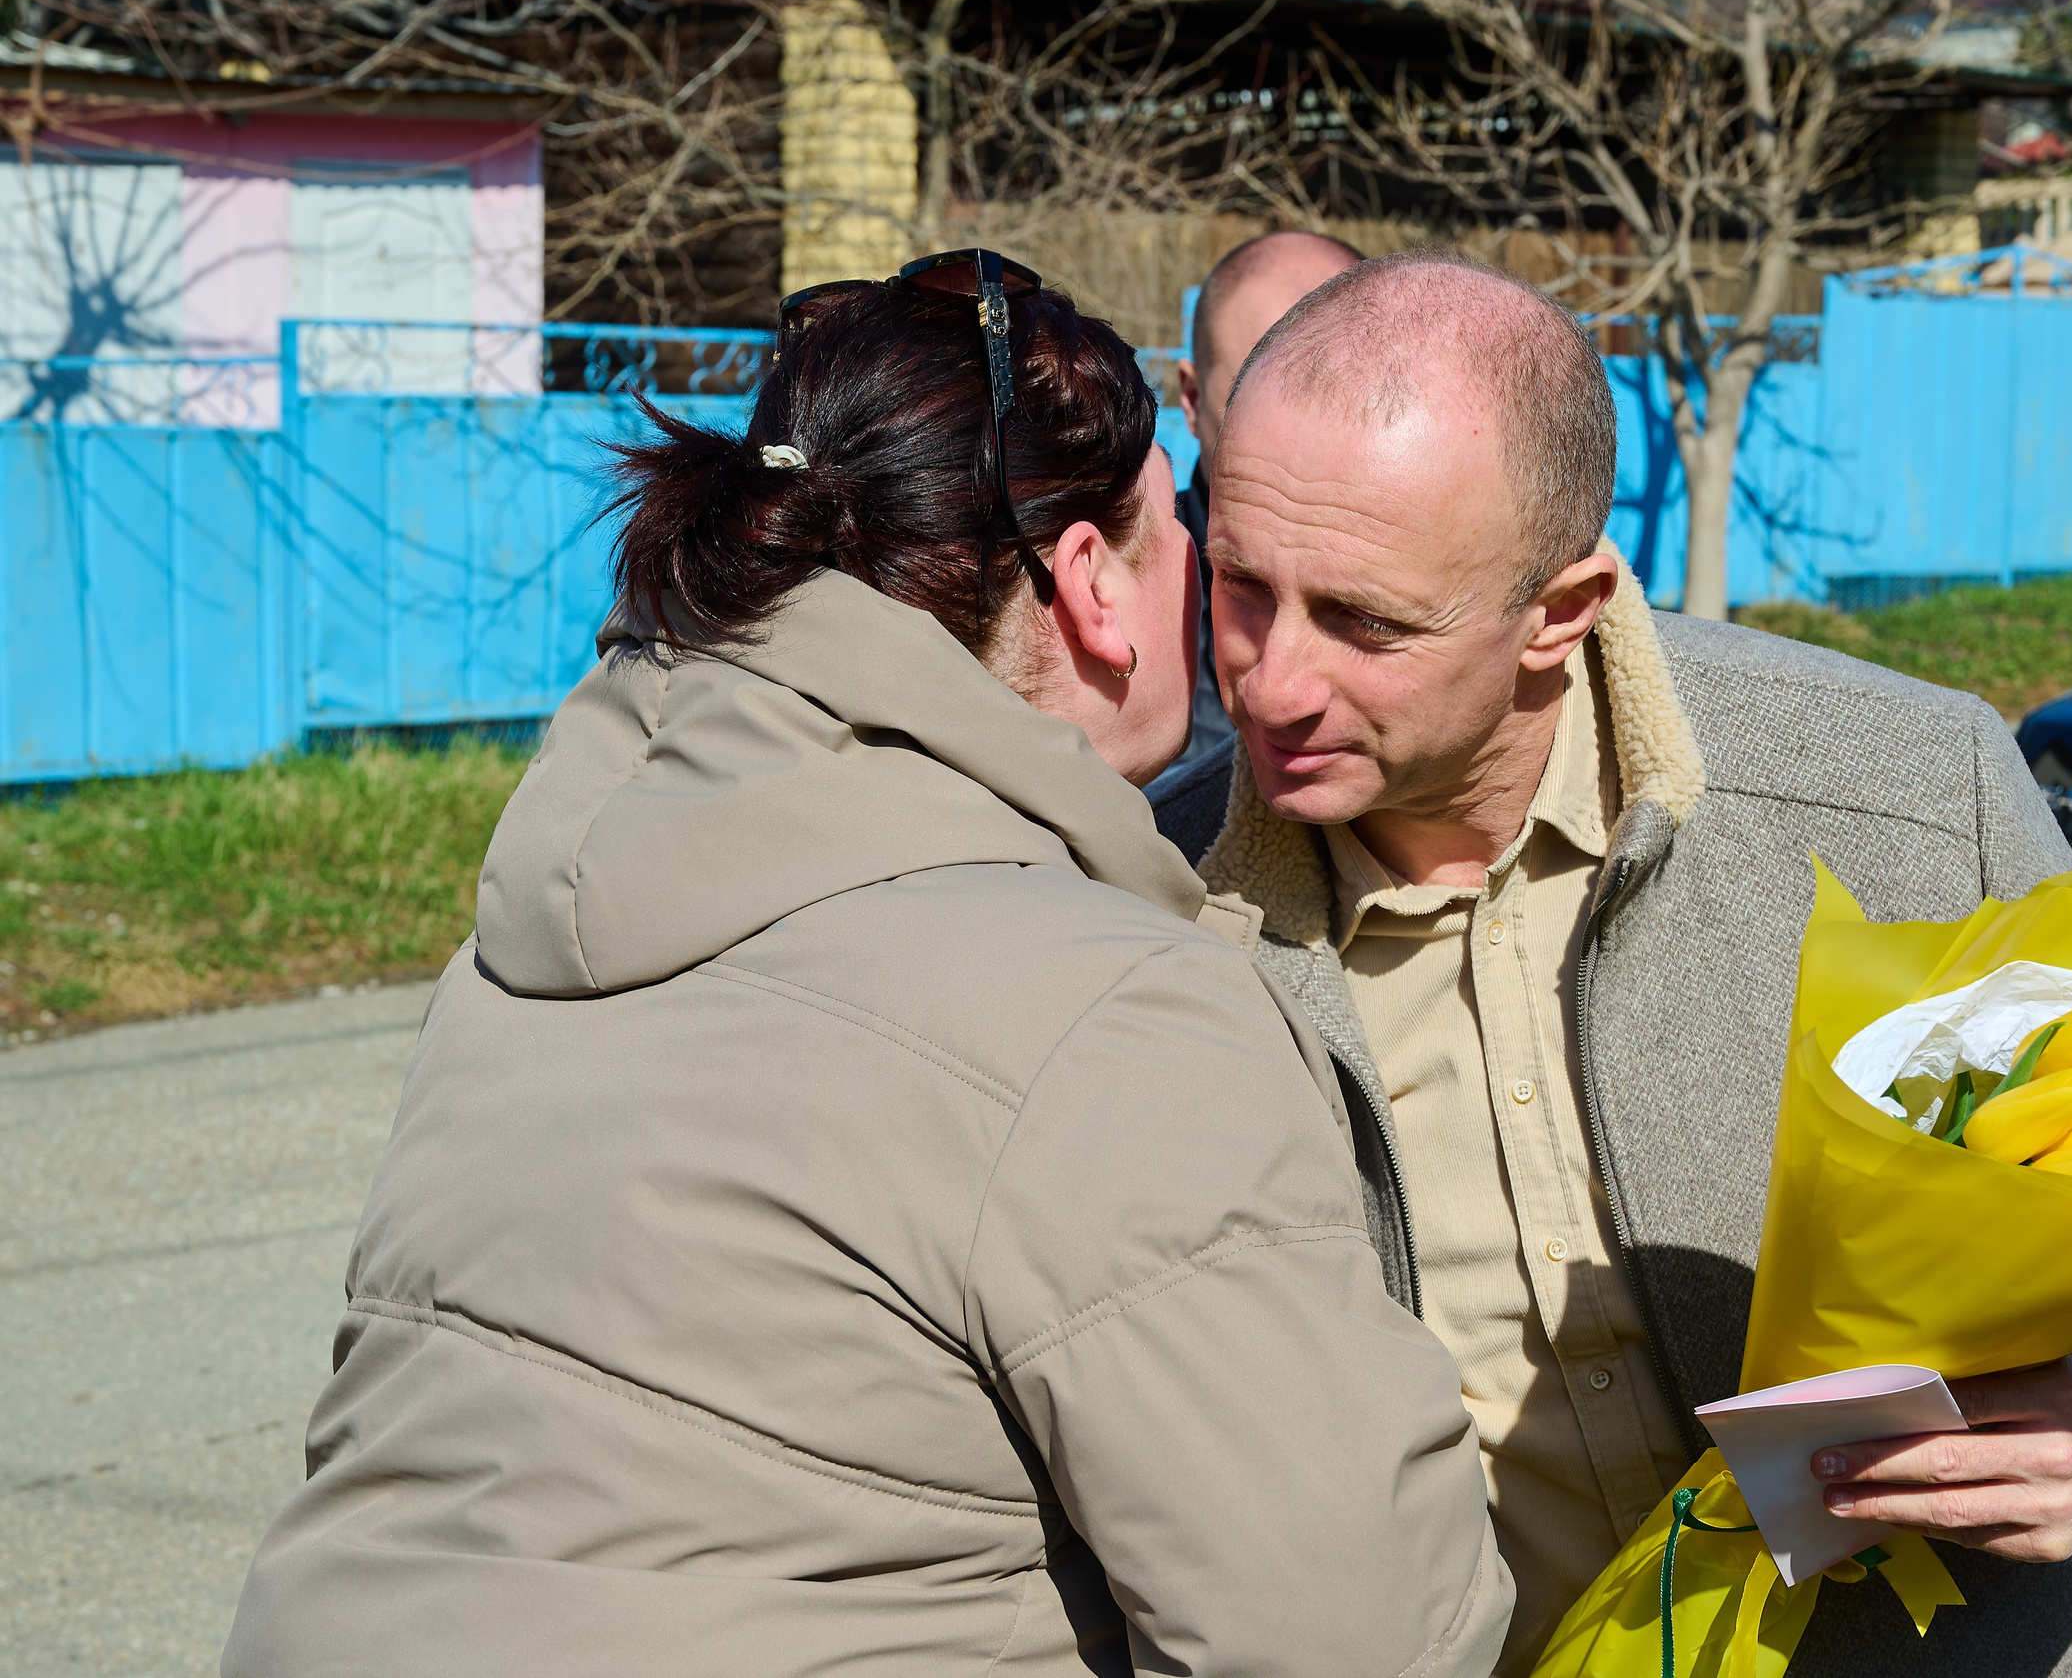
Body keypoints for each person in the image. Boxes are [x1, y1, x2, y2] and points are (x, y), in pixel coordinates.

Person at [224, 252, 1511, 1678]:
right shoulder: (1106, 1013)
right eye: (1184, 533)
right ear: (1092, 584)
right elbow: (1361, 1633)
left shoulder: (529, 934)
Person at [1149, 250, 2072, 1676]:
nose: (1269, 678)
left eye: (1364, 620)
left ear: (1560, 610)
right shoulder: (1150, 902)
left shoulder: (1905, 791)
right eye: (1241, 584)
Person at [1158, 230, 1364, 781]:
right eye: (1252, 402)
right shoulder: (1107, 597)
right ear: (1191, 399)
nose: (1303, 453)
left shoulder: (1461, 590)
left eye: (1349, 401)